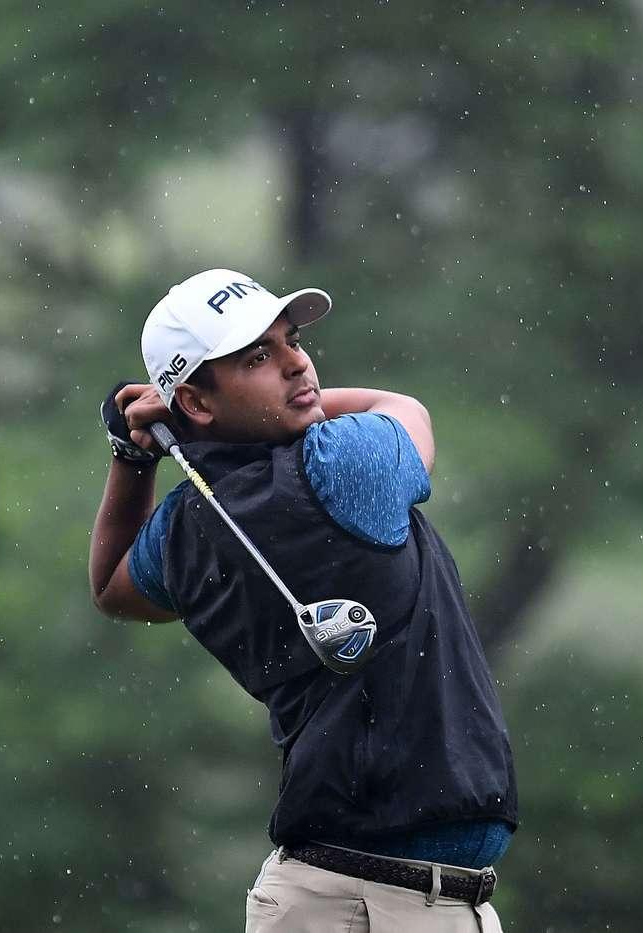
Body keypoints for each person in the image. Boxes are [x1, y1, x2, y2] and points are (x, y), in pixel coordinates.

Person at [88, 268, 517, 932]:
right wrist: (203, 423)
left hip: (352, 897)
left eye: (291, 341)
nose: (297, 364)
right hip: (367, 906)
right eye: (259, 357)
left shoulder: (185, 522)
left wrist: (133, 453)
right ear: (197, 401)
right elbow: (404, 407)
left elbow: (113, 586)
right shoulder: (342, 467)